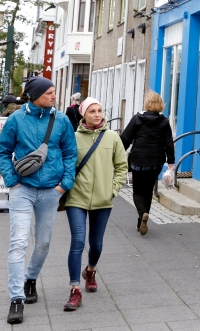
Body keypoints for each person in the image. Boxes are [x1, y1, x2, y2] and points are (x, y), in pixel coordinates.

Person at [0, 77, 77, 326]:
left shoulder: (61, 120)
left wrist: (65, 184)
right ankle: (16, 299)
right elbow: (2, 151)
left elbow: (70, 153)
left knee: (43, 243)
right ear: (35, 95)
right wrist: (12, 180)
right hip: (23, 189)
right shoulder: (16, 119)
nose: (54, 96)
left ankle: (31, 278)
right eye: (49, 92)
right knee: (18, 243)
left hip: (51, 190)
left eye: (54, 92)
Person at [62, 97, 127, 312]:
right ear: (83, 114)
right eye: (92, 111)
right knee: (78, 241)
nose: (97, 114)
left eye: (99, 110)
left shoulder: (113, 138)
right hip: (77, 198)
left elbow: (121, 166)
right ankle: (75, 290)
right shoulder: (73, 138)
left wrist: (112, 190)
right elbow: (66, 166)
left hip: (102, 199)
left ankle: (90, 270)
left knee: (96, 244)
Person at [120, 91, 175, 236]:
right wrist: (171, 162)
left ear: (147, 103)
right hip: (156, 162)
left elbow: (125, 139)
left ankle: (142, 213)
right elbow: (169, 143)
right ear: (160, 104)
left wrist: (117, 155)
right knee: (148, 191)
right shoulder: (164, 122)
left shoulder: (137, 119)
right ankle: (141, 221)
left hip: (138, 160)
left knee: (138, 191)